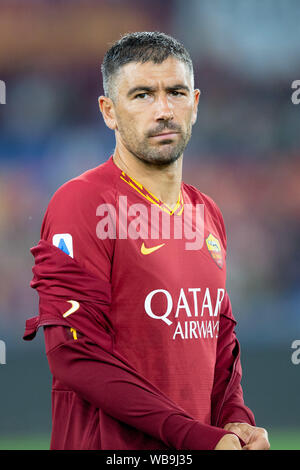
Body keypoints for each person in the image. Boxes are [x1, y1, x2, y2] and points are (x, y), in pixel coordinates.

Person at [23, 31, 270, 451]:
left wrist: (235, 419)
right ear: (109, 111)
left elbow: (219, 335)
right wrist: (195, 436)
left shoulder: (206, 212)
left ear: (194, 103)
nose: (163, 110)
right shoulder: (81, 202)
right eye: (141, 95)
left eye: (175, 92)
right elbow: (73, 353)